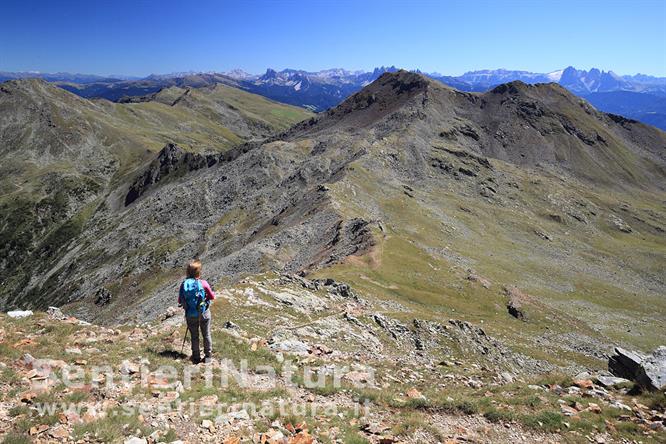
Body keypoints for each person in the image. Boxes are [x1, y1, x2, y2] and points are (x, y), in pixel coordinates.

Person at [178, 259, 215, 364]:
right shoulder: (203, 283)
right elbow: (212, 297)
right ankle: (208, 357)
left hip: (190, 314)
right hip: (204, 313)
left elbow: (180, 300)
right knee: (206, 334)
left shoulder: (184, 285)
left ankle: (196, 357)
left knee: (194, 336)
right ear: (199, 272)